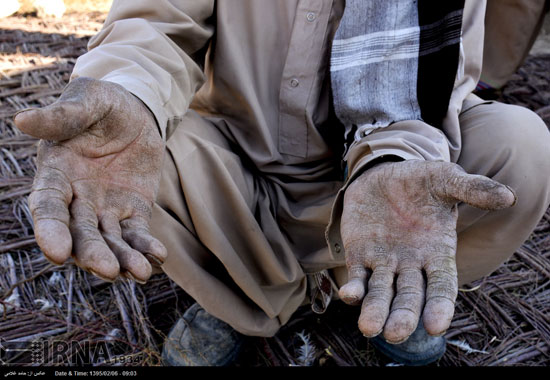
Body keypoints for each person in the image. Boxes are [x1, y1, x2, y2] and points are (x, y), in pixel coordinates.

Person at [13, 0, 550, 366]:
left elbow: (438, 78)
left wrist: (395, 161)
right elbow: (155, 23)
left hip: (383, 172)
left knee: (519, 147)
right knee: (125, 150)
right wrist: (129, 94)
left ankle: (371, 277)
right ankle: (243, 297)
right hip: (234, 165)